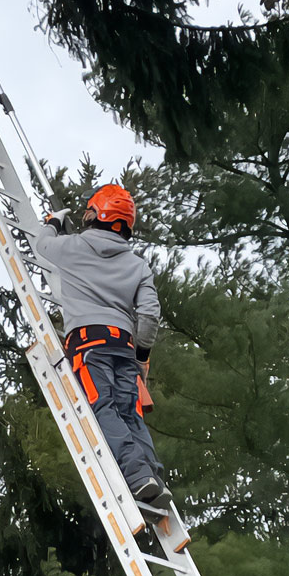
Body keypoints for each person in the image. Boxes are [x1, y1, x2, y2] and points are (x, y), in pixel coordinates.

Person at [34, 184, 172, 509]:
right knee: (130, 413)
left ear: (97, 214)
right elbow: (150, 314)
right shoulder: (138, 266)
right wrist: (142, 356)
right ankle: (151, 475)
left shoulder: (73, 247)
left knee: (103, 407)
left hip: (88, 344)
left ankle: (138, 476)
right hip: (124, 346)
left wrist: (54, 220)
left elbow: (42, 244)